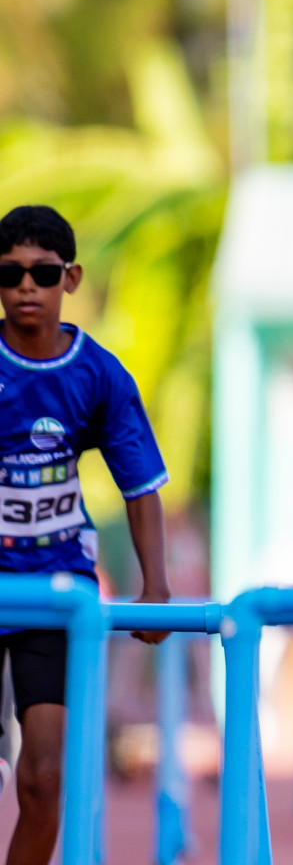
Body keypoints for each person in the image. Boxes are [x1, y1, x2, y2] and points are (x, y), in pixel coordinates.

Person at [0, 205, 171, 865]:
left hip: (54, 592)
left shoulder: (96, 375)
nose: (25, 287)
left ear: (68, 279)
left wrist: (154, 585)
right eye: (9, 274)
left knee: (44, 780)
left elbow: (141, 487)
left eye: (42, 273)